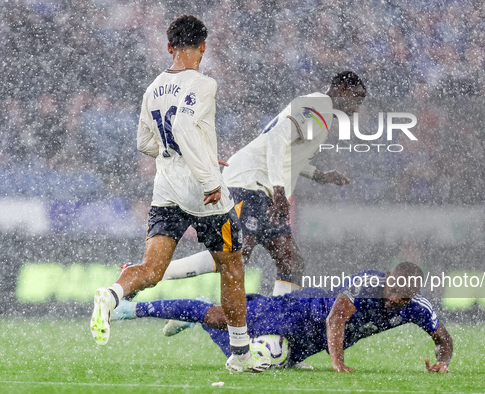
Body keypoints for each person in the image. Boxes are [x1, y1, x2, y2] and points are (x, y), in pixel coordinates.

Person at [90, 15, 269, 374]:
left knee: (153, 269)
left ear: (170, 47)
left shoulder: (153, 88)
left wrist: (180, 154)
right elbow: (185, 125)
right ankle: (241, 355)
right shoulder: (203, 83)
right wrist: (208, 178)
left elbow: (145, 143)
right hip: (203, 194)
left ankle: (111, 295)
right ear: (203, 46)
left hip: (166, 189)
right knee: (232, 266)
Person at [158, 71, 366, 298]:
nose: (356, 109)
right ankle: (153, 271)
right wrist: (278, 188)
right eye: (357, 100)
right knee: (236, 253)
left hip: (260, 186)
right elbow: (277, 137)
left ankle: (274, 325)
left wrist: (318, 175)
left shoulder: (318, 107)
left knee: (291, 262)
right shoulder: (321, 107)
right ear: (343, 91)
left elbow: (285, 151)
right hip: (249, 181)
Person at [113, 262, 453, 373]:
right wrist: (338, 362)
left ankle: (201, 317)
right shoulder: (368, 284)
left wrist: (443, 361)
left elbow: (444, 340)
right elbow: (336, 318)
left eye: (402, 297)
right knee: (220, 317)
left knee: (256, 363)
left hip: (309, 343)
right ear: (388, 280)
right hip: (297, 312)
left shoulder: (416, 307)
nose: (393, 300)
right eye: (392, 291)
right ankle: (131, 309)